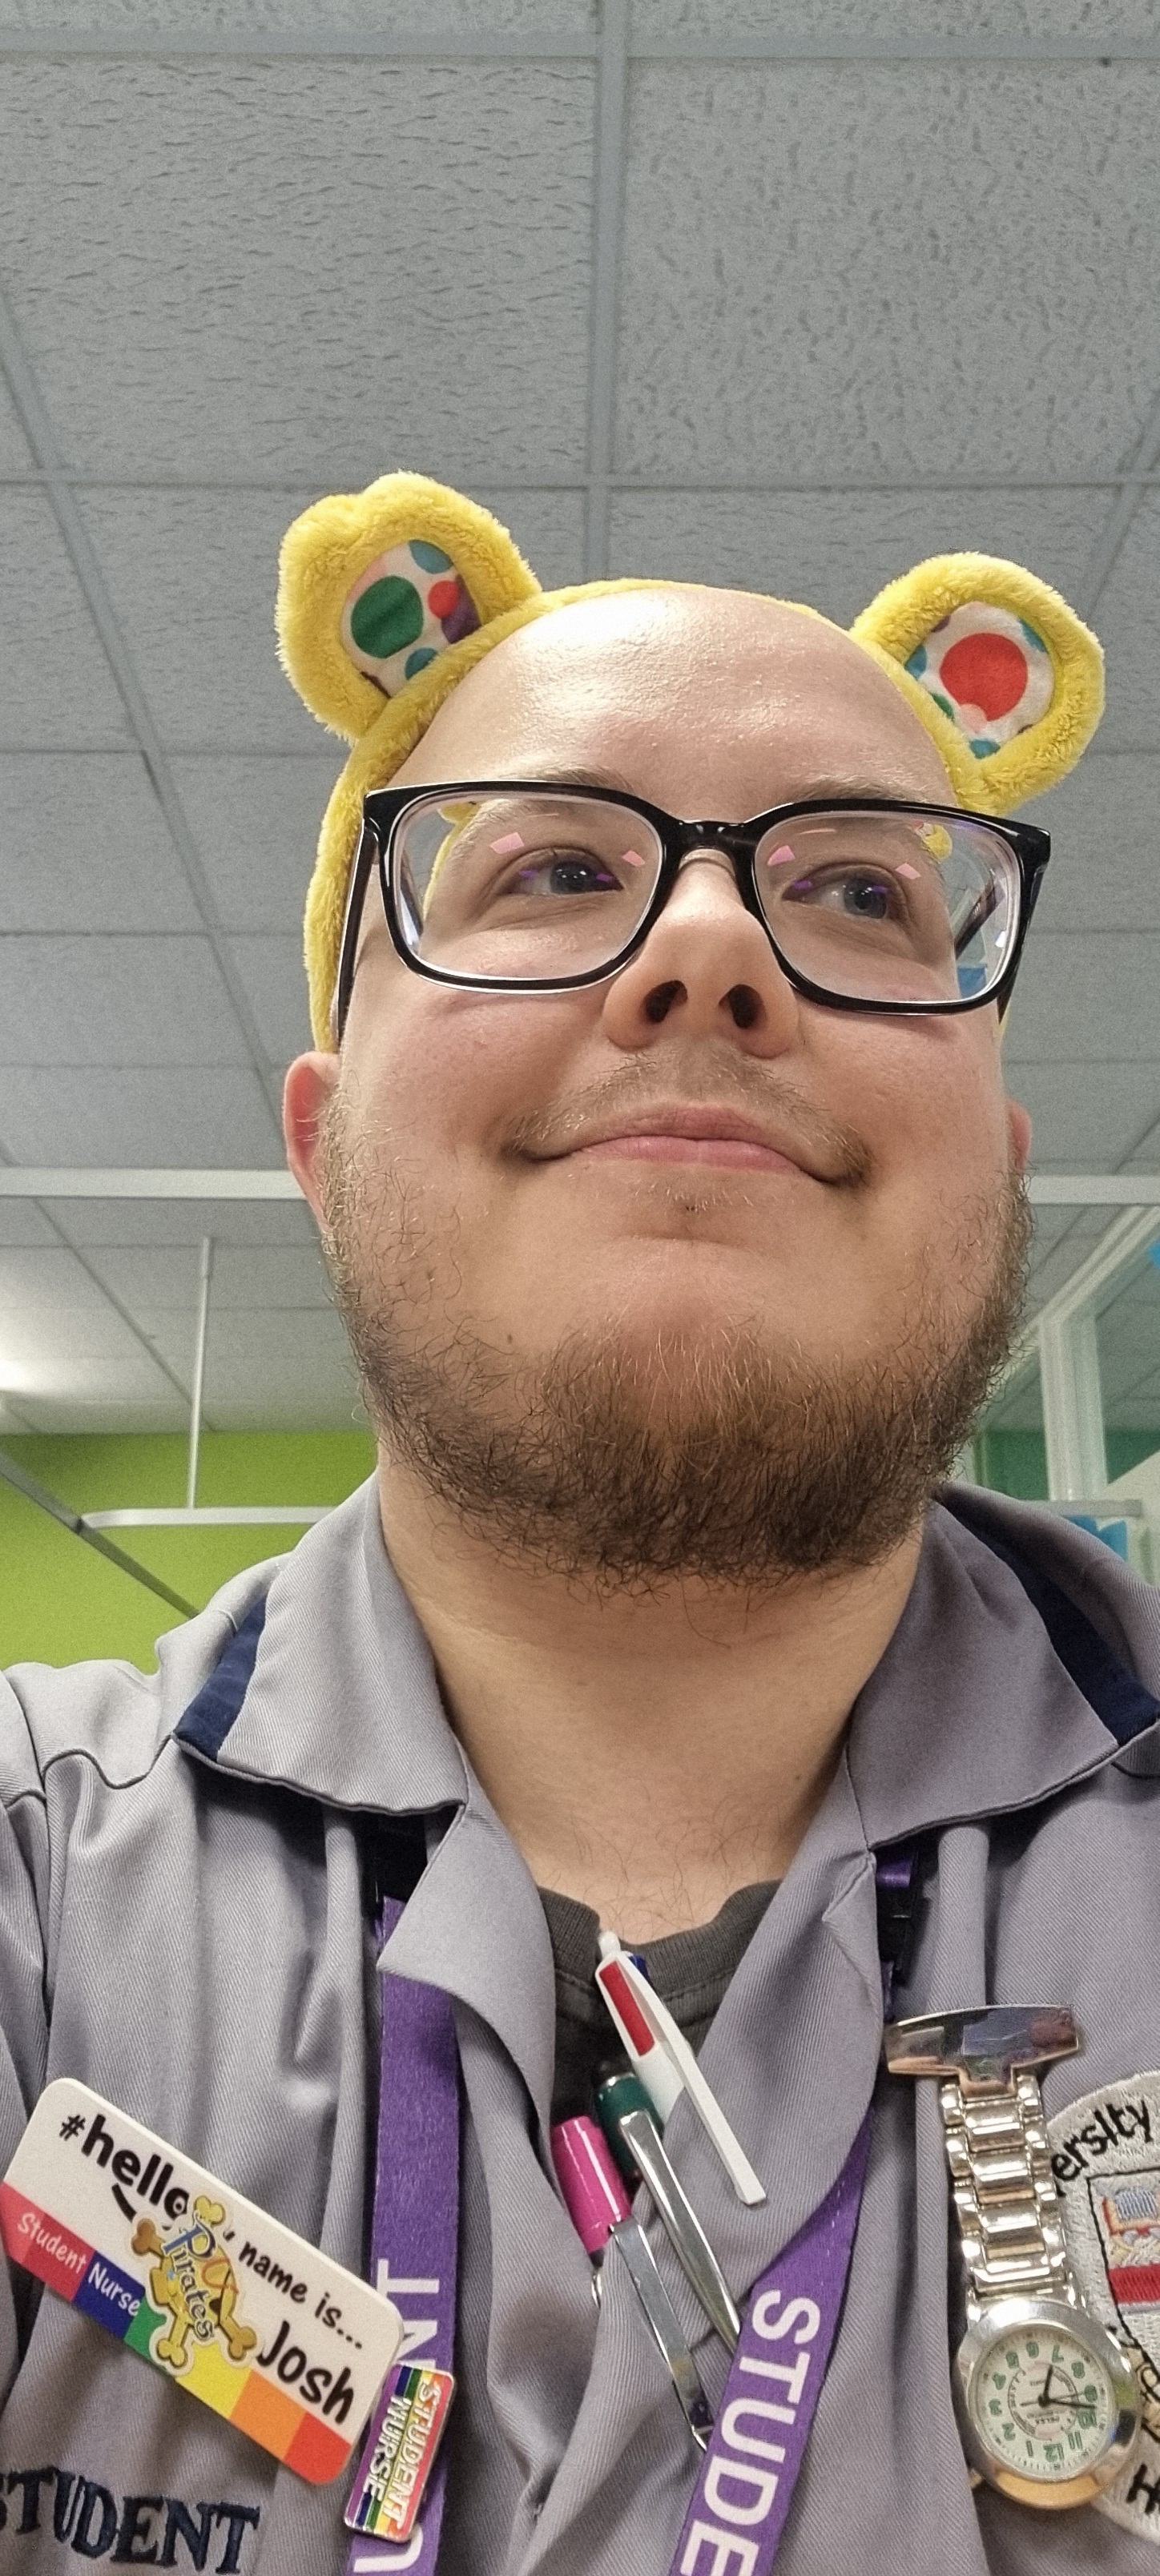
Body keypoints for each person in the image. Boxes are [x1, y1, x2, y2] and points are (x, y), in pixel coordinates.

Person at [2, 473, 1158, 2576]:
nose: (714, 949)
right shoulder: (35, 1891)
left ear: (992, 1160)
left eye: (863, 899)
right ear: (325, 1134)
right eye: (549, 864)